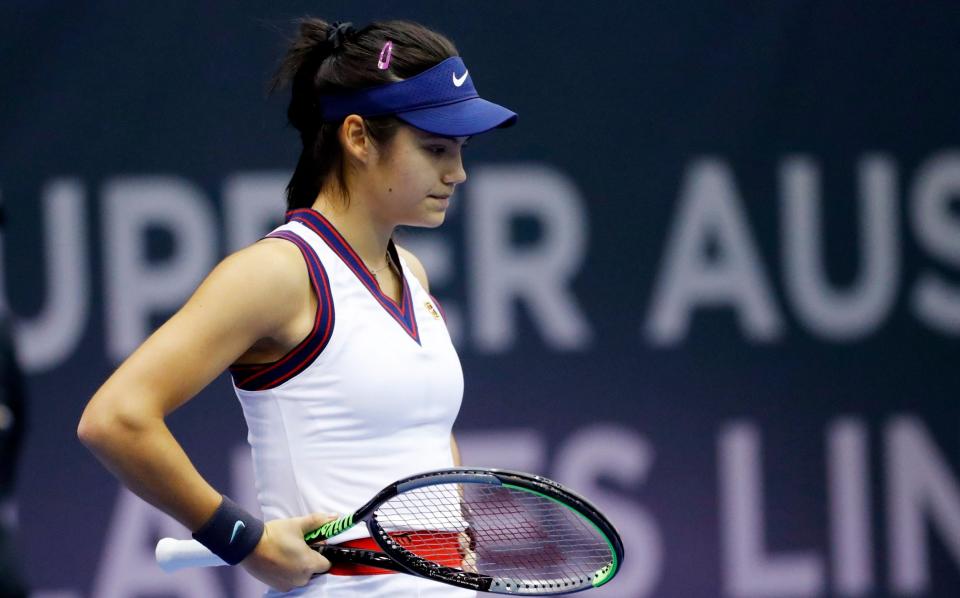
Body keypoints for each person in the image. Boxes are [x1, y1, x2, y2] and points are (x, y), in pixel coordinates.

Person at [77, 18, 516, 597]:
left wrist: (453, 526)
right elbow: (115, 419)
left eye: (460, 150)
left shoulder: (411, 272)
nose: (457, 172)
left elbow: (426, 437)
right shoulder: (277, 274)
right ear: (358, 137)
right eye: (435, 148)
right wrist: (245, 541)